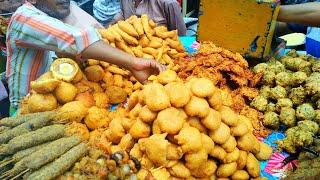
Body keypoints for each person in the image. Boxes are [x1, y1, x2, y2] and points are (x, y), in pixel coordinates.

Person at [6, 0, 166, 114]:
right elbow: (77, 39)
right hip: (25, 109)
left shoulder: (47, 14)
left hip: (50, 101)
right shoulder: (24, 17)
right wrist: (133, 63)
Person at [112, 0, 187, 36]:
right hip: (130, 54)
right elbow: (123, 14)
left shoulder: (168, 3)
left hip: (161, 56)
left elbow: (181, 36)